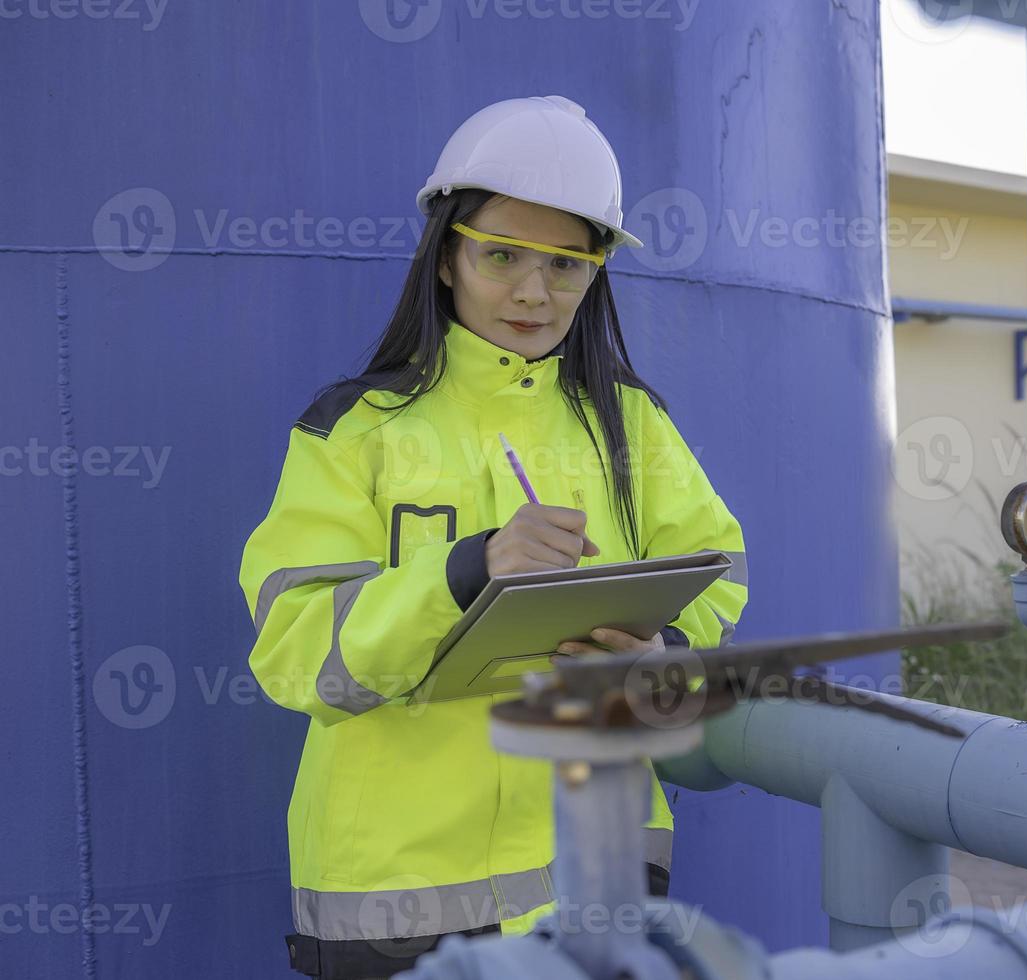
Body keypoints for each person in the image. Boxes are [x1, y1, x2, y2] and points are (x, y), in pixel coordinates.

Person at [237, 95, 748, 980]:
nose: (531, 292)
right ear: (445, 259)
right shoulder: (354, 430)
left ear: (596, 272)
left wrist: (659, 645)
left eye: (565, 265)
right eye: (500, 255)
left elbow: (717, 583)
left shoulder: (634, 426)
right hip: (393, 897)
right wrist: (465, 571)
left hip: (602, 873)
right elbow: (295, 655)